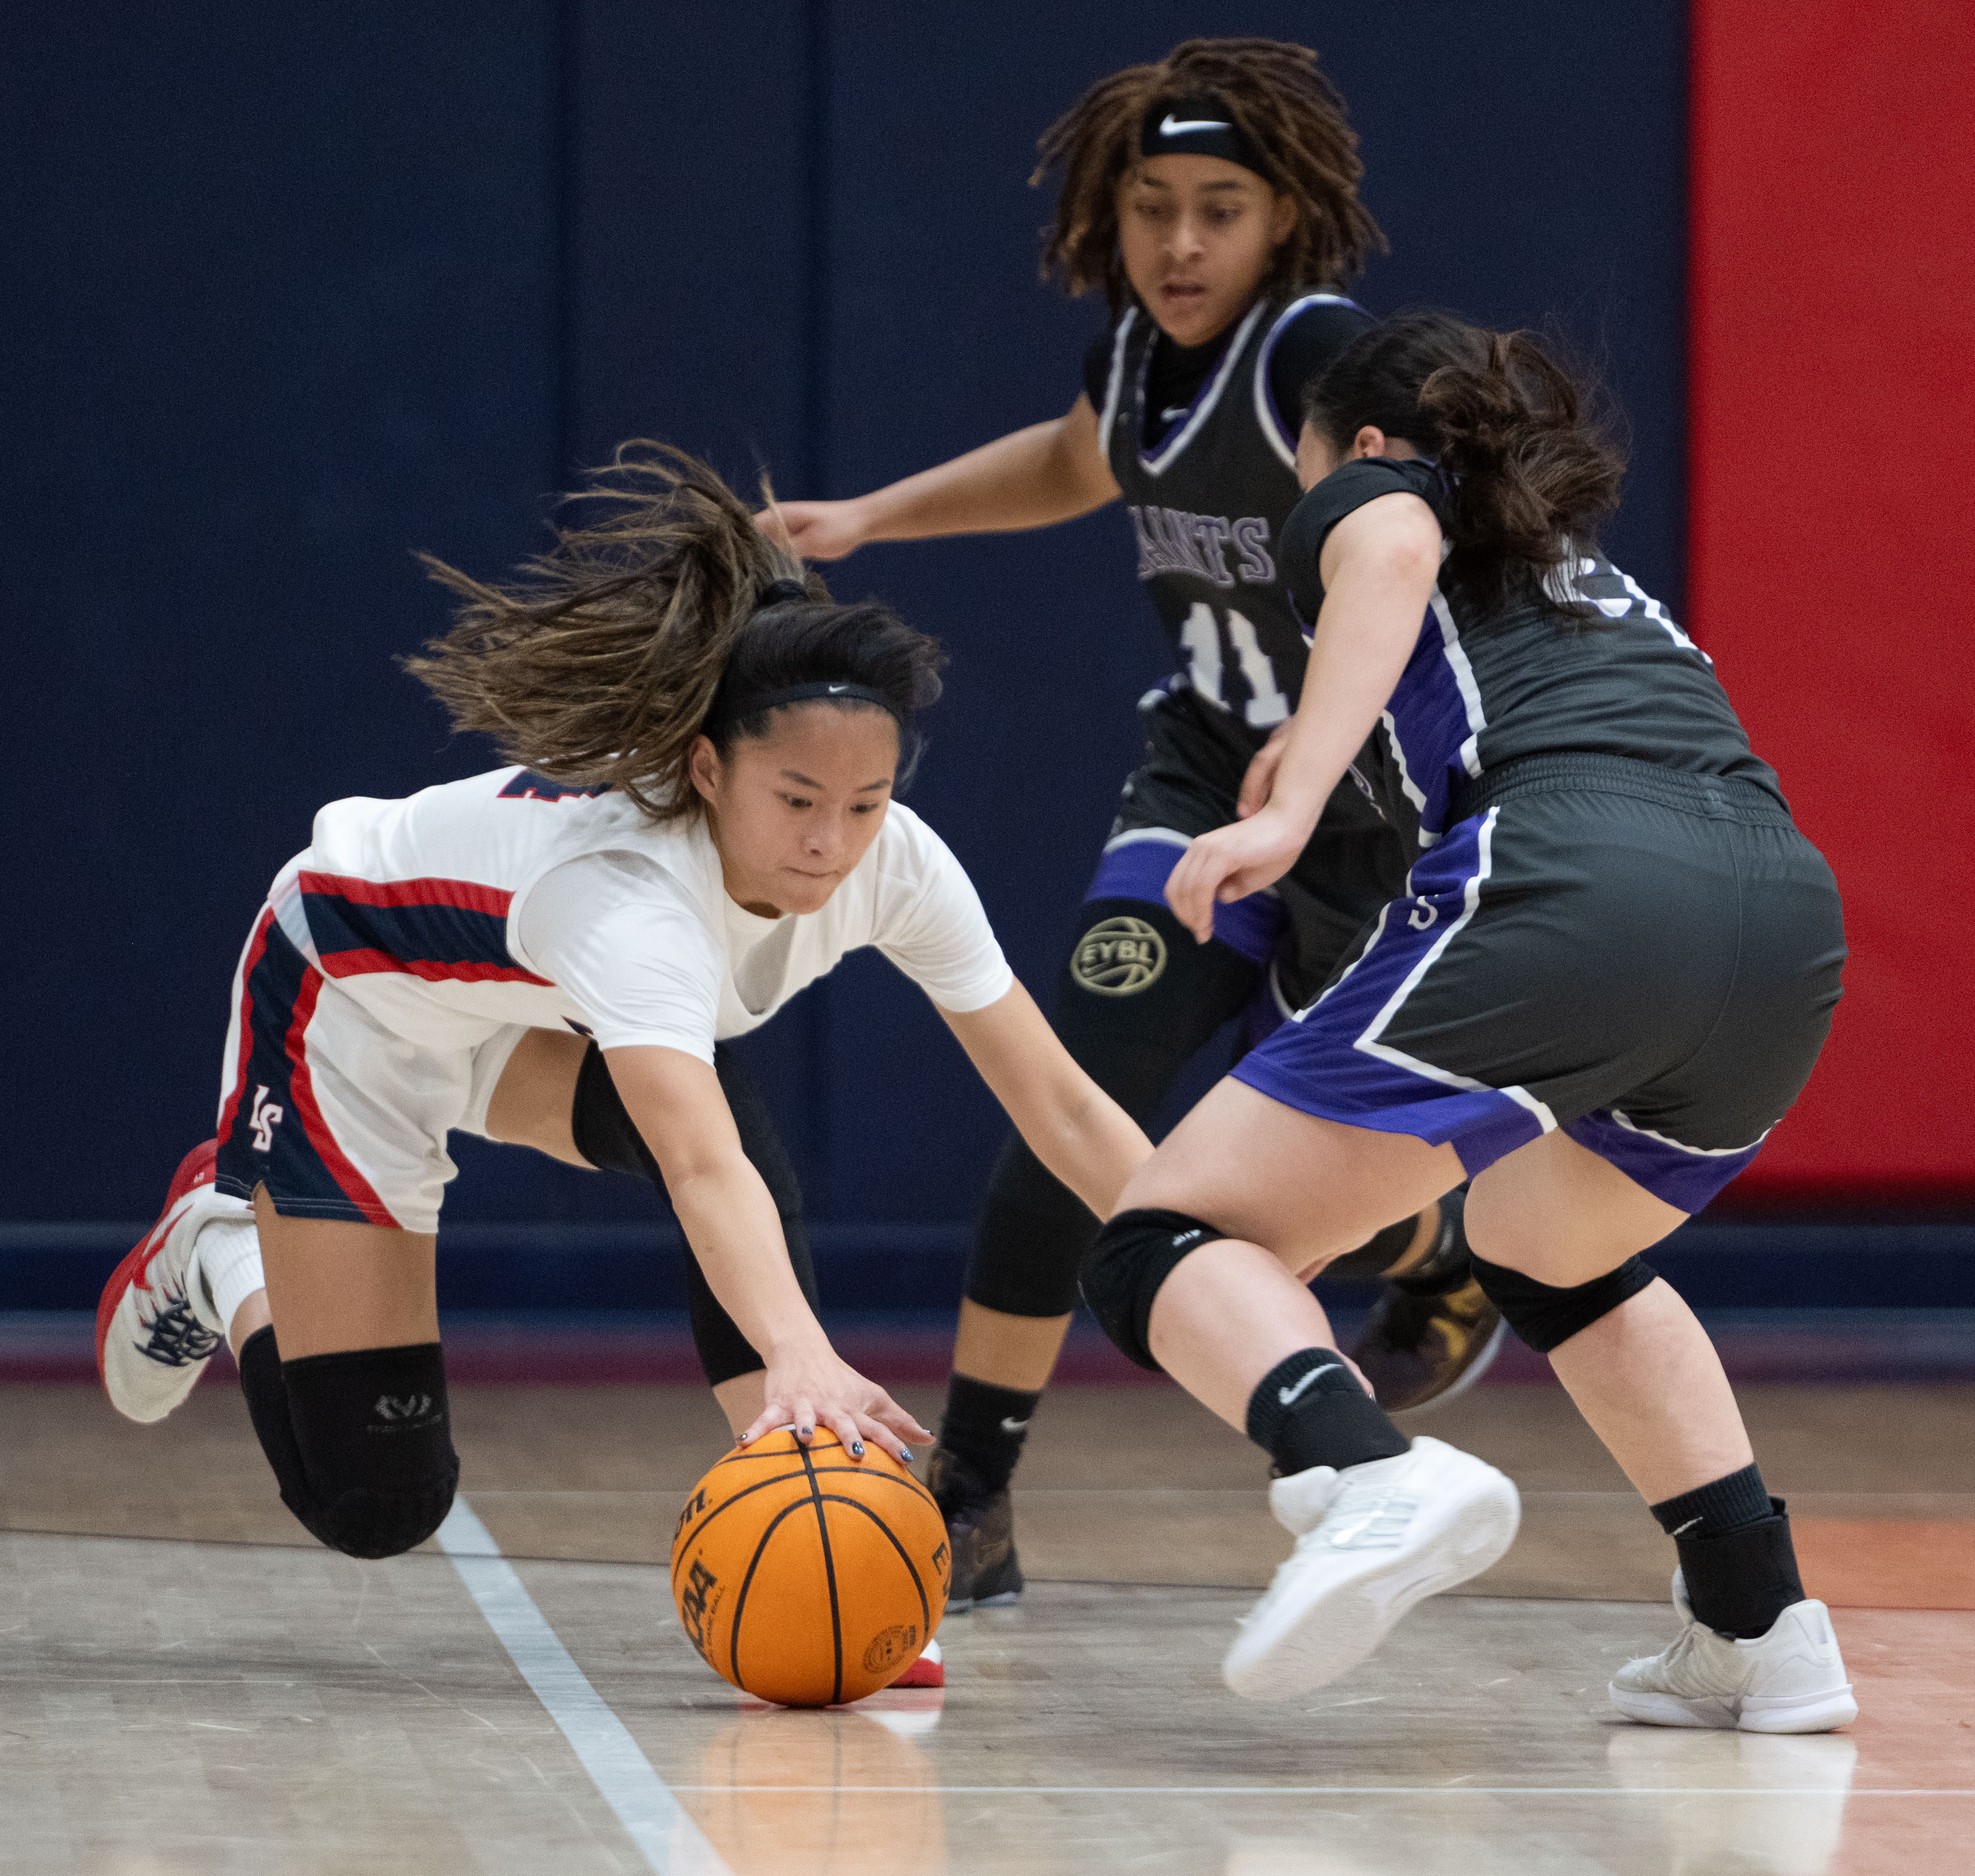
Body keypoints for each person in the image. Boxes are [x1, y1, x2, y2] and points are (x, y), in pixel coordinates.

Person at [96, 445, 1153, 1596]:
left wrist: (1205, 1253)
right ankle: (217, 1245)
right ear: (708, 769)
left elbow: (1061, 1105)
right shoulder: (631, 904)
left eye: (866, 801)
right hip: (347, 1001)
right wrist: (803, 1351)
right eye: (797, 798)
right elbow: (699, 1170)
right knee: (375, 1500)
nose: (830, 840)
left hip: (516, 1010)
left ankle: (817, 1515)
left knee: (735, 1134)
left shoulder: (896, 863)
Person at [766, 37, 1501, 1612]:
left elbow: (1433, 531)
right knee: (1069, 1091)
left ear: (1282, 219)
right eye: (1150, 205)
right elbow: (1069, 459)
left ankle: (1435, 1245)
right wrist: (872, 517)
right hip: (1197, 777)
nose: (1177, 242)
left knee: (1308, 1198)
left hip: (1359, 813)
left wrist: (1333, 732)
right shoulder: (1135, 358)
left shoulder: (1315, 354)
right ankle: (971, 1487)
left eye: (1216, 209)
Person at [1076, 312, 1857, 1730]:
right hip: (1780, 923)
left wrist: (1288, 806)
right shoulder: (1576, 571)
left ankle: (1366, 1472)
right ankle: (1758, 1623)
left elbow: (1381, 547)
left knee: (1160, 1239)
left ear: (1366, 444)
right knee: (1554, 1250)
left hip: (1582, 876)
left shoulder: (1383, 491)